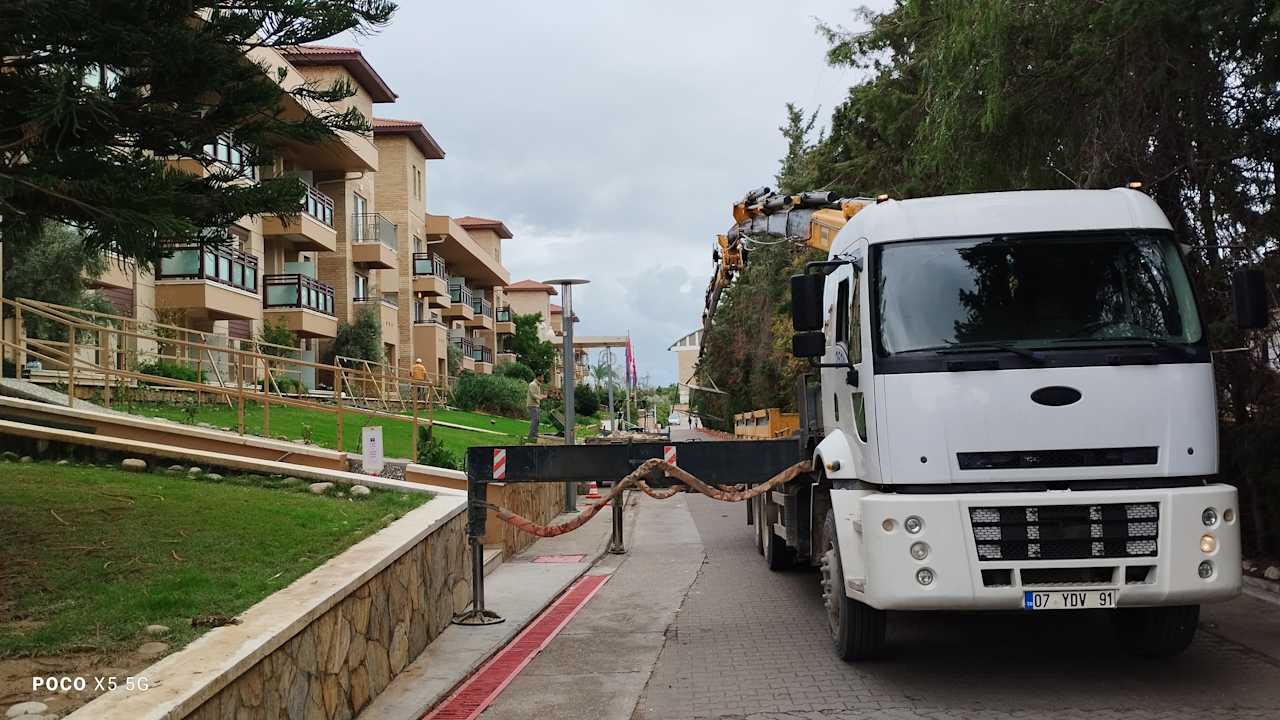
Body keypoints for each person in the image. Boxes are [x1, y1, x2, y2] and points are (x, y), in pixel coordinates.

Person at [526, 374, 545, 441]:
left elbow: (537, 394)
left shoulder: (537, 385)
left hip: (536, 405)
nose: (543, 379)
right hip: (532, 405)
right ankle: (531, 436)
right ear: (538, 377)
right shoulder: (532, 384)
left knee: (537, 421)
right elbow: (533, 395)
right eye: (542, 377)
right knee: (534, 420)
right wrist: (540, 398)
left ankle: (535, 434)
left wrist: (543, 396)